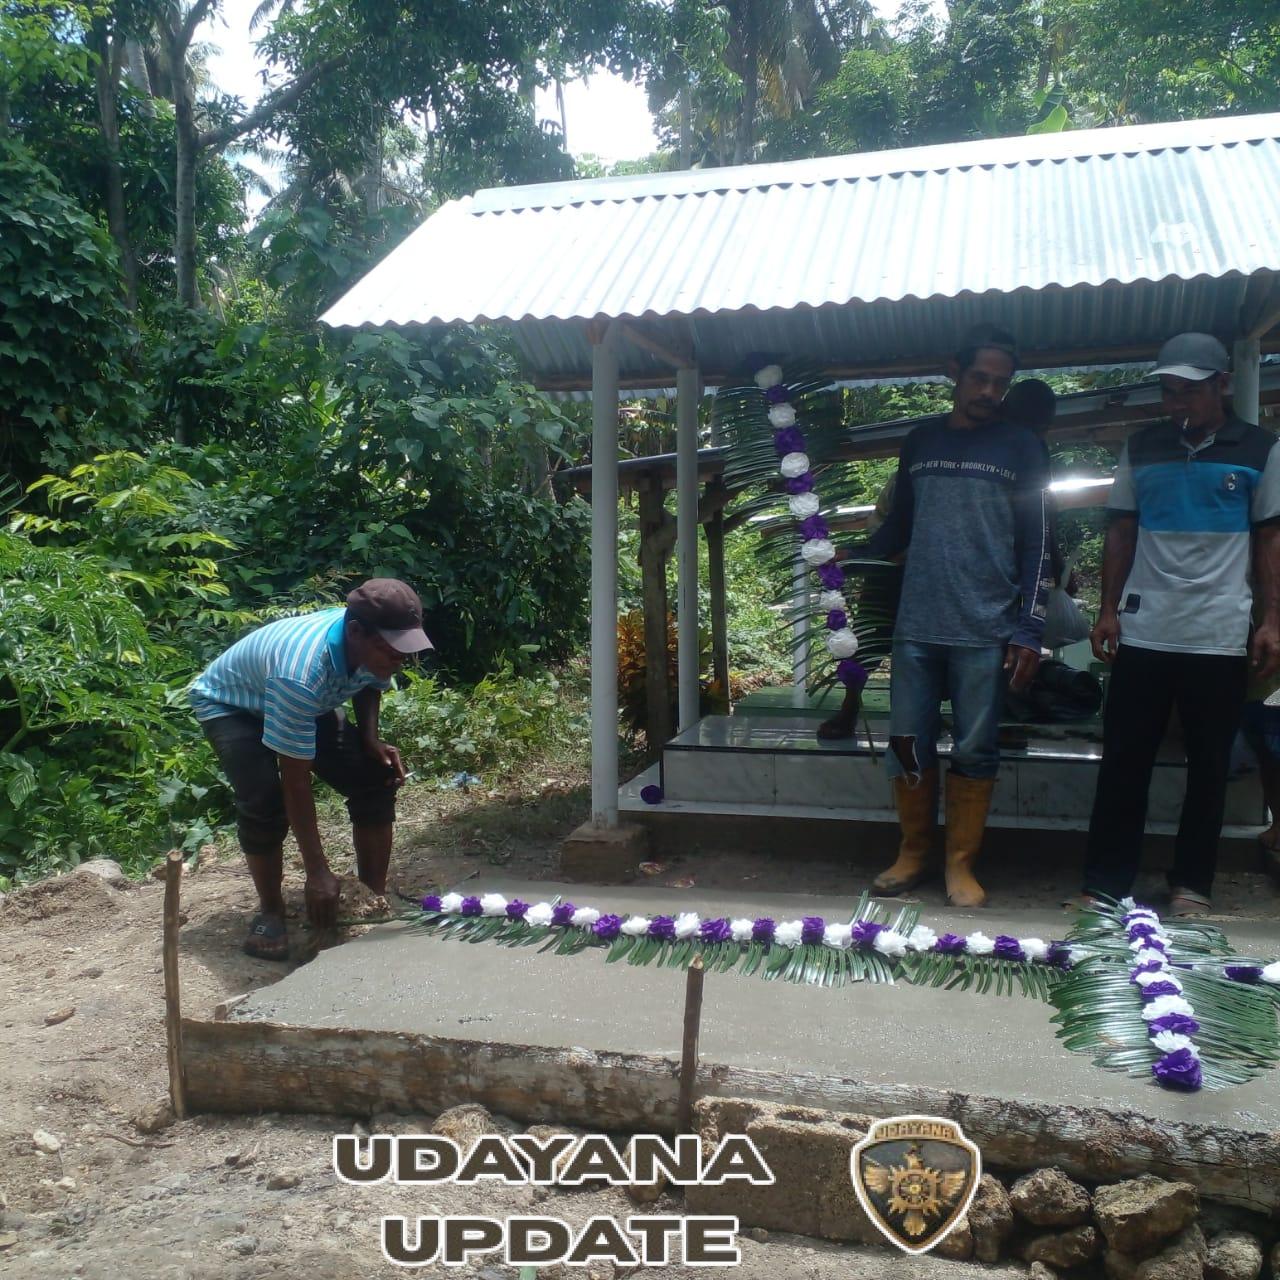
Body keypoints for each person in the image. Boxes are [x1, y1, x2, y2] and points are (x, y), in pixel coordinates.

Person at [1082, 332, 1280, 916]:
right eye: (1169, 391)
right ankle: (1105, 883)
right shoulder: (1141, 447)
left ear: (1223, 385)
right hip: (1144, 629)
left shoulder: (1261, 450)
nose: (1177, 403)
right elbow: (1121, 531)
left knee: (1209, 766)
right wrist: (1107, 608)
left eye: (1189, 391)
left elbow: (1270, 540)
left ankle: (1192, 884)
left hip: (1219, 632)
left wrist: (1272, 620)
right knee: (1125, 760)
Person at [866, 325, 1052, 907]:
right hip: (917, 623)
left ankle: (960, 863)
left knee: (975, 748)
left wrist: (1030, 626)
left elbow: (1039, 540)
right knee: (905, 740)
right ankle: (913, 852)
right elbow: (900, 525)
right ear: (955, 373)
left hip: (986, 625)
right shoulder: (921, 441)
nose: (989, 391)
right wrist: (842, 556)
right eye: (979, 379)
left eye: (1000, 383)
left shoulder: (1022, 446)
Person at [190, 579, 432, 958]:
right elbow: (296, 781)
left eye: (406, 650)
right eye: (392, 650)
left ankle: (371, 898)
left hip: (306, 701)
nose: (400, 659)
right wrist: (317, 871)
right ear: (356, 632)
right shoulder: (302, 673)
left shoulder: (374, 642)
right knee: (264, 800)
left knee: (376, 775)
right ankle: (271, 911)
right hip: (234, 705)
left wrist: (370, 738)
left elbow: (371, 681)